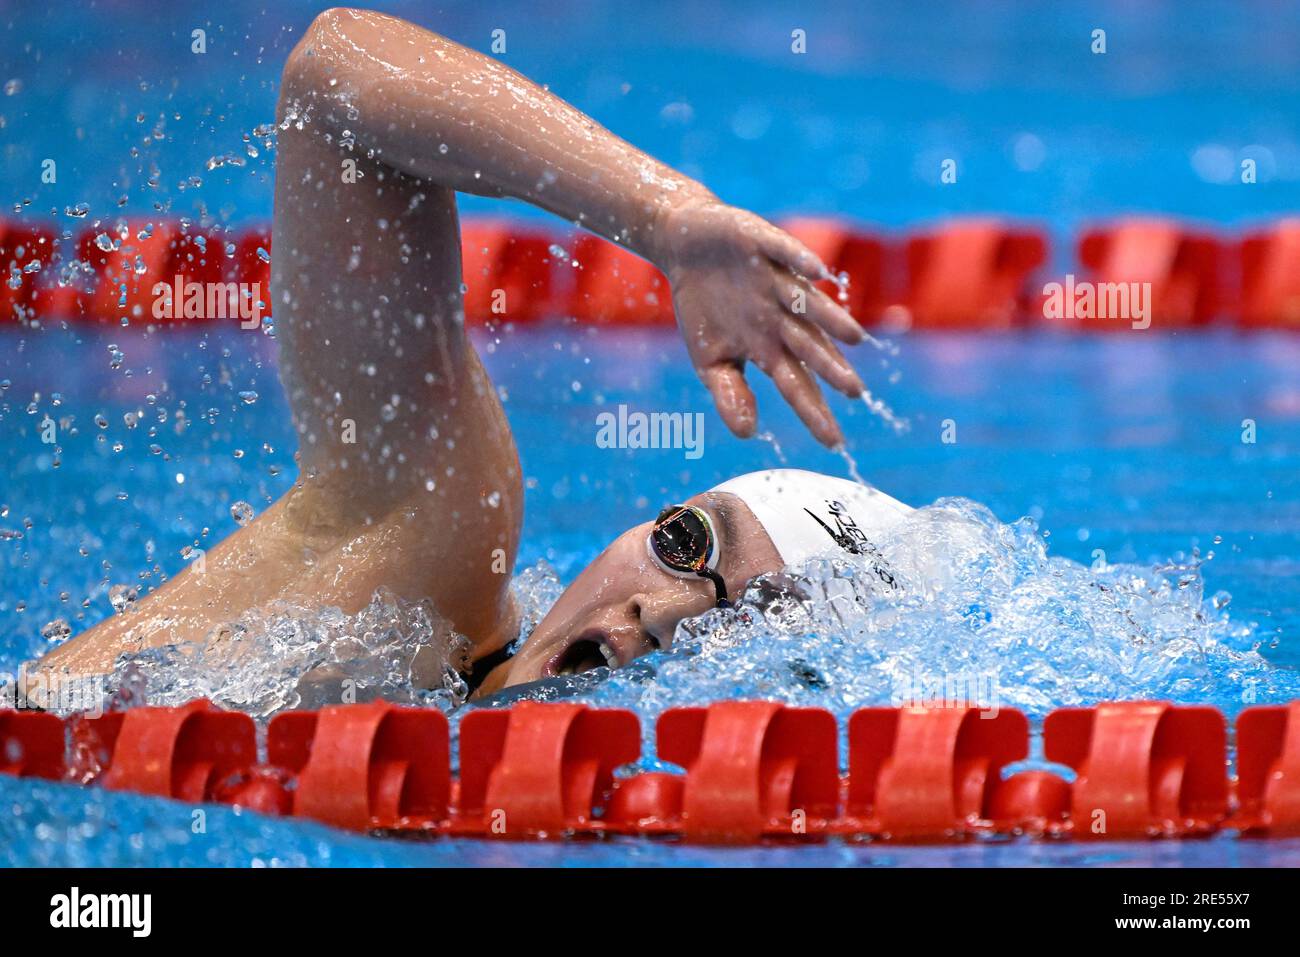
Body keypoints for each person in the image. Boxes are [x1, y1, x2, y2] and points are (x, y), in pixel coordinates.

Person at [30, 8, 906, 702]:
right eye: (684, 542)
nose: (665, 611)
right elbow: (332, 77)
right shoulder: (427, 572)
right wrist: (667, 217)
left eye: (748, 623)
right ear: (635, 528)